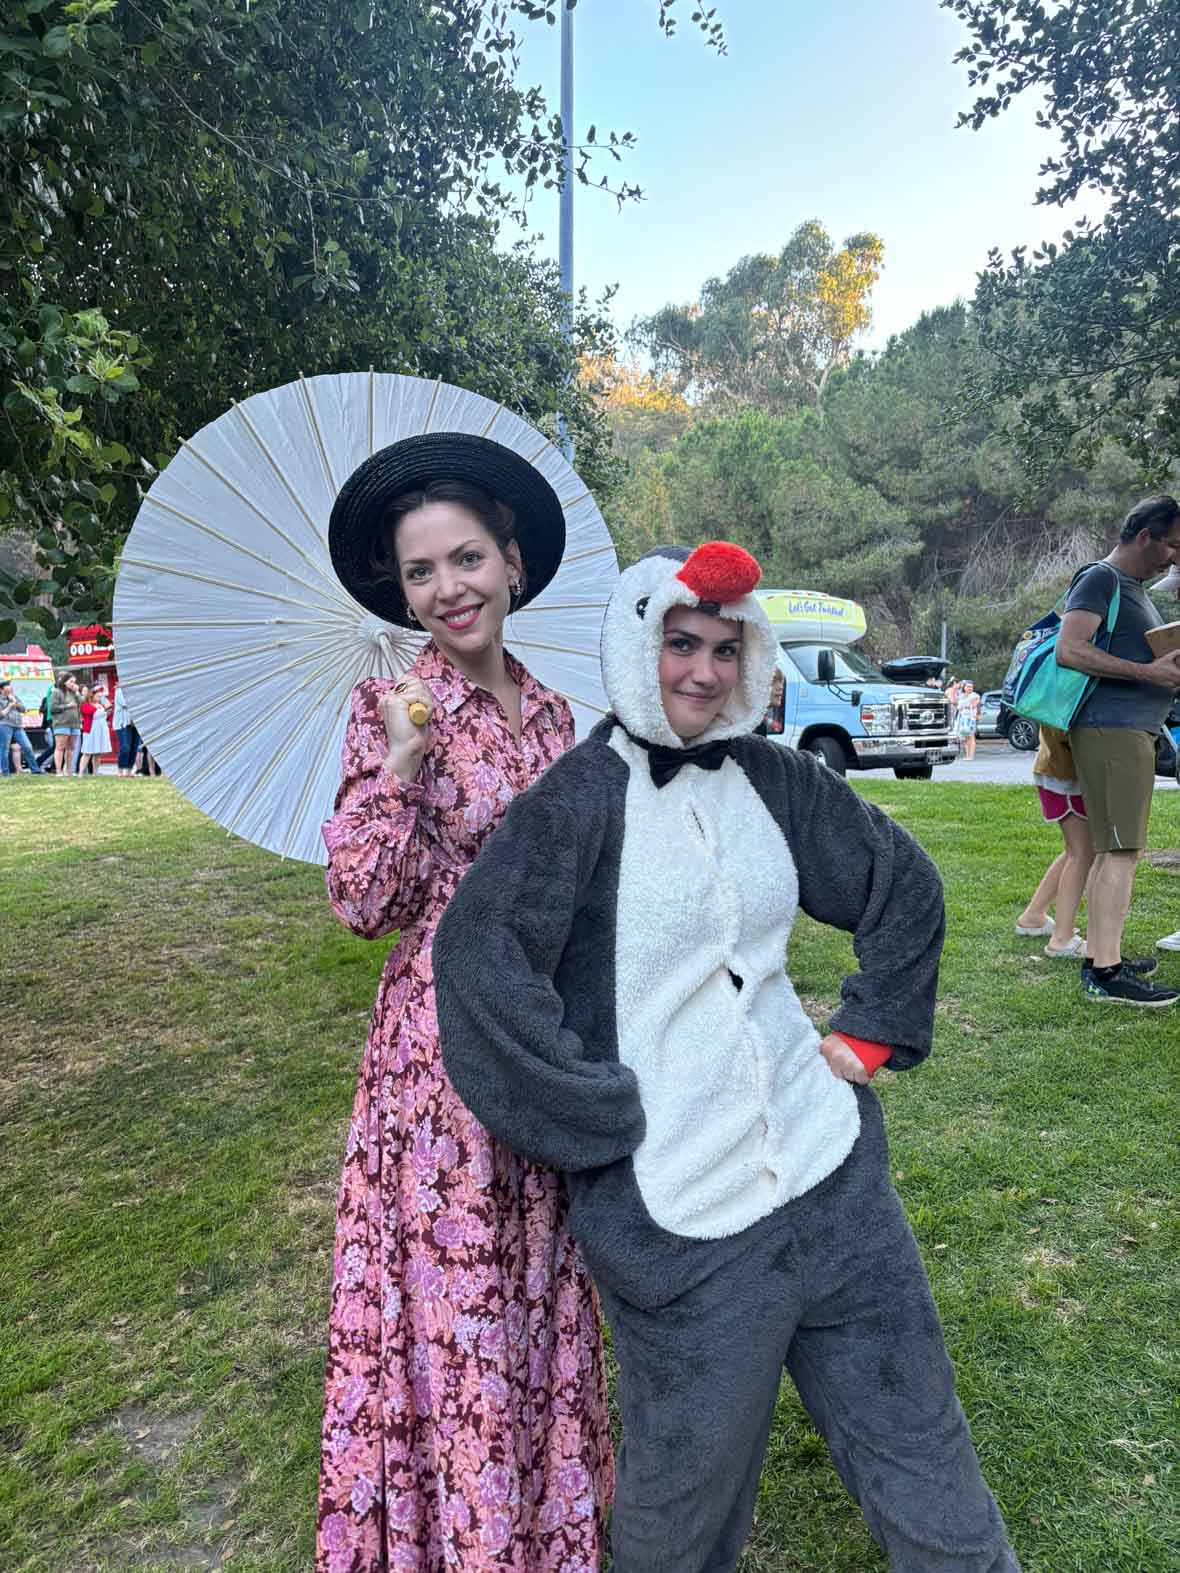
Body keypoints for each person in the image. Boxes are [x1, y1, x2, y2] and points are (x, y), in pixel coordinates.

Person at [434, 541, 1021, 1573]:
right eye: (678, 644)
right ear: (632, 646)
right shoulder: (572, 805)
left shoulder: (777, 780)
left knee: (922, 1451)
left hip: (834, 1179)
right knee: (682, 1510)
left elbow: (900, 885)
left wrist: (869, 1032)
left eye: (722, 646)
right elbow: (480, 969)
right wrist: (601, 1125)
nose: (701, 670)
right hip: (683, 1220)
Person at [314, 434, 612, 1572]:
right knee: (456, 1306)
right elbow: (361, 900)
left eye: (467, 557)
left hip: (544, 1037)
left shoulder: (557, 714)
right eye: (422, 573)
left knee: (542, 1290)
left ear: (514, 561)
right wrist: (398, 766)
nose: (449, 589)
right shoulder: (391, 708)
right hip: (438, 1065)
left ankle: (547, 1537)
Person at [1057, 495, 1180, 1005]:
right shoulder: (1101, 579)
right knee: (1122, 850)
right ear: (1146, 534)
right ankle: (1106, 974)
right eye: (1172, 545)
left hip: (1130, 730)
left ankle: (1103, 954)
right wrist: (1148, 673)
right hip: (1112, 731)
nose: (1174, 558)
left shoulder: (1131, 588)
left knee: (1116, 849)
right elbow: (1071, 649)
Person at [1015, 725, 1095, 957]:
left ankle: (1034, 916)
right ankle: (1062, 938)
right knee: (1082, 853)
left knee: (1076, 851)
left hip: (1055, 769)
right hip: (1067, 775)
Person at [0, 680, 43, 775]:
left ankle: (35, 770)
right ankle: (5, 772)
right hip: (4, 725)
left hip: (18, 726)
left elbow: (23, 709)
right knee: (4, 749)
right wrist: (10, 706)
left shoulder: (14, 696)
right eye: (7, 685)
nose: (10, 687)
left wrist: (15, 702)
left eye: (10, 685)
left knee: (27, 746)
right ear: (1, 689)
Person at [49, 672, 82, 778]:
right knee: (60, 747)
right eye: (71, 681)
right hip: (61, 723)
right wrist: (67, 706)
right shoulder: (57, 692)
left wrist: (77, 693)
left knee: (70, 748)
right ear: (64, 681)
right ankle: (58, 771)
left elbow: (82, 703)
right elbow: (53, 708)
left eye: (74, 682)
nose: (73, 684)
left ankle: (68, 770)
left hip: (75, 723)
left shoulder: (73, 693)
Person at [112, 683, 140, 777]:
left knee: (134, 747)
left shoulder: (136, 690)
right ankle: (120, 770)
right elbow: (125, 703)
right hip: (122, 724)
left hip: (135, 723)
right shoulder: (119, 690)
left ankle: (129, 771)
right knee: (125, 747)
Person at [954, 678, 981, 761]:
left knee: (971, 736)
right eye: (968, 686)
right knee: (965, 737)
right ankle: (967, 754)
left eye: (971, 687)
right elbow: (958, 707)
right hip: (962, 718)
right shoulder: (961, 695)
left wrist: (964, 706)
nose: (970, 688)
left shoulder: (975, 695)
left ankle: (971, 756)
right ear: (964, 687)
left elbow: (973, 705)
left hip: (970, 718)